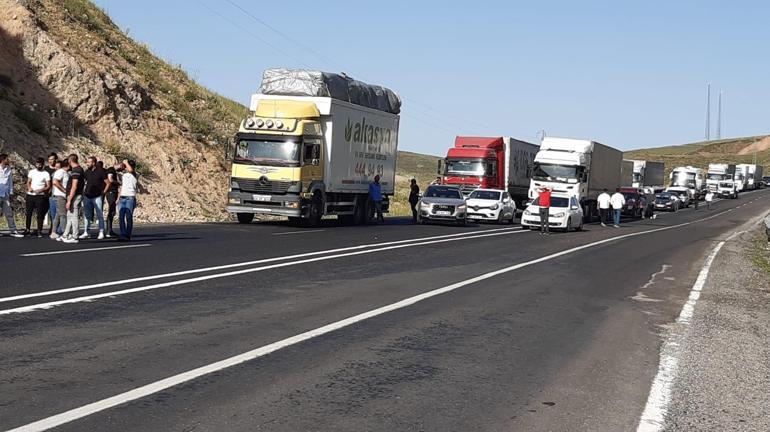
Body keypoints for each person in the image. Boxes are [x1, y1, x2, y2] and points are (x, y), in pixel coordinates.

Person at [80, 156, 108, 240]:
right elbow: (83, 182)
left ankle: (101, 232)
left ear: (93, 163)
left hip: (97, 196)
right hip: (87, 195)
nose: (87, 164)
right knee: (87, 215)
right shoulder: (87, 171)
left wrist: (103, 192)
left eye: (89, 162)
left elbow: (108, 183)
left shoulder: (101, 171)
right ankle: (86, 232)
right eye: (87, 162)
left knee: (99, 214)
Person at [25, 157, 51, 237]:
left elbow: (48, 185)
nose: (38, 165)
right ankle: (27, 229)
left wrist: (41, 190)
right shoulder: (32, 172)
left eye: (40, 164)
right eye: (37, 163)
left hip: (40, 196)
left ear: (43, 164)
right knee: (28, 213)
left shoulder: (46, 173)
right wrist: (29, 188)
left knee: (40, 214)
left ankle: (39, 230)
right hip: (30, 195)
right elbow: (28, 182)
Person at [0, 153, 24, 238]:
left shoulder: (9, 169)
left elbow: (10, 182)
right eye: (7, 159)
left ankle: (13, 230)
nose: (8, 160)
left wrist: (10, 192)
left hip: (5, 195)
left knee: (9, 213)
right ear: (3, 160)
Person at [62, 154, 85, 244]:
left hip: (75, 196)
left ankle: (75, 236)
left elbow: (74, 186)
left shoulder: (76, 170)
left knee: (74, 216)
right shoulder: (79, 169)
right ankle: (66, 234)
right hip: (75, 195)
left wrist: (69, 200)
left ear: (70, 161)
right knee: (70, 216)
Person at [118, 159, 140, 241]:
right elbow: (122, 186)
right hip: (122, 197)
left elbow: (131, 170)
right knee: (121, 217)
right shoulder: (124, 175)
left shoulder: (135, 174)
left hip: (130, 198)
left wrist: (126, 162)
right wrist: (118, 197)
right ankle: (123, 234)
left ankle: (128, 235)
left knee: (128, 216)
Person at [50, 160, 70, 241]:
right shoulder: (60, 172)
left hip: (62, 196)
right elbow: (55, 182)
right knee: (63, 215)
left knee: (58, 215)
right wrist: (64, 190)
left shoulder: (65, 172)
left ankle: (53, 232)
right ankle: (65, 234)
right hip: (60, 196)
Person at [104, 161, 121, 237]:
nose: (122, 169)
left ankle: (109, 230)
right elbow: (110, 179)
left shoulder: (113, 171)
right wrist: (119, 183)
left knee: (112, 211)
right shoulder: (111, 170)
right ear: (119, 165)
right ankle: (108, 231)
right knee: (111, 211)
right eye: (122, 167)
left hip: (113, 192)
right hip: (111, 192)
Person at [44, 153, 58, 232]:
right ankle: (39, 229)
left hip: (55, 193)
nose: (50, 161)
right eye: (49, 159)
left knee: (54, 212)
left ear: (56, 159)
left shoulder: (58, 169)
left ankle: (53, 228)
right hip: (45, 193)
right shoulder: (46, 169)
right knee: (43, 211)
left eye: (52, 159)